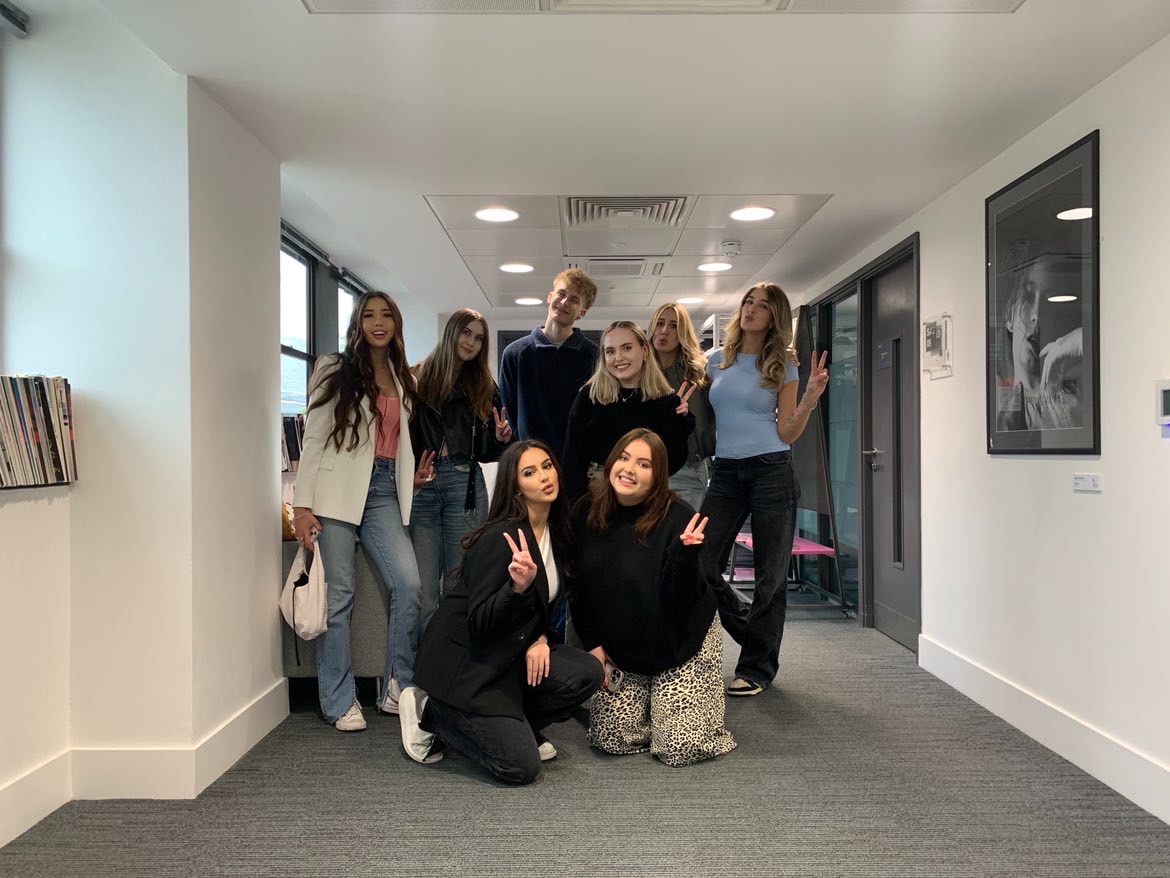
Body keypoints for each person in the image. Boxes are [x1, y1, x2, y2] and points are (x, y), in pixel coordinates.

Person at [403, 440, 603, 783]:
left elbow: (545, 608)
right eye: (530, 472)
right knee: (520, 767)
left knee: (587, 672)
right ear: (515, 486)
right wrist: (516, 589)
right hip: (468, 665)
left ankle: (518, 725)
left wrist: (540, 638)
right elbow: (480, 624)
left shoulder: (557, 533)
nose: (544, 476)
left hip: (510, 654)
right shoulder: (501, 538)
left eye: (547, 465)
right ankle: (429, 711)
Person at [292, 291, 434, 731]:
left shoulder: (401, 375)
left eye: (385, 314)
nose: (377, 322)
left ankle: (399, 687)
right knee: (340, 596)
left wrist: (406, 478)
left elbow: (393, 440)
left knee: (409, 585)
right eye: (368, 314)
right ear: (357, 322)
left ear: (395, 324)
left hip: (383, 491)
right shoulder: (334, 368)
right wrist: (301, 505)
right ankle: (338, 700)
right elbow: (314, 438)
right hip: (335, 493)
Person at [571, 428, 736, 766]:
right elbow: (579, 587)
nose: (630, 469)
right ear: (611, 461)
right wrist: (594, 644)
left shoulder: (678, 517)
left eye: (644, 464)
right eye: (624, 458)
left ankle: (683, 710)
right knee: (609, 740)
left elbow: (685, 602)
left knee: (679, 749)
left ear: (658, 476)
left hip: (681, 639)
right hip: (625, 645)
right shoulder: (586, 511)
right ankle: (655, 704)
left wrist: (685, 557)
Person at [699, 282, 828, 698]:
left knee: (771, 577)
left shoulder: (782, 364)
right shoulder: (717, 359)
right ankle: (754, 631)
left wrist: (809, 398)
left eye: (762, 306)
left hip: (771, 469)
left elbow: (786, 431)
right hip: (724, 473)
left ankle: (756, 668)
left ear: (775, 316)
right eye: (747, 303)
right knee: (700, 560)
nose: (751, 310)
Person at [409, 308, 513, 634]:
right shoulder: (417, 379)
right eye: (466, 333)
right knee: (423, 591)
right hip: (423, 486)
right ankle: (424, 673)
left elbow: (488, 452)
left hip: (464, 484)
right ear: (452, 332)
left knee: (457, 585)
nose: (471, 342)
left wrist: (500, 440)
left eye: (479, 338)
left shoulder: (484, 386)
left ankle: (452, 671)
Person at [562, 320, 696, 501]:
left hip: (645, 493)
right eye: (610, 351)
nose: (618, 358)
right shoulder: (590, 396)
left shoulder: (665, 401)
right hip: (596, 492)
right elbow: (572, 458)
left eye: (626, 348)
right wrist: (575, 506)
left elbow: (670, 465)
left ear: (644, 351)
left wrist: (678, 423)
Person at [498, 268, 599, 461]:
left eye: (574, 300)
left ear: (582, 312)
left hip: (576, 467)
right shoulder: (514, 354)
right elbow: (508, 412)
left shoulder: (595, 358)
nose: (564, 302)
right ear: (550, 296)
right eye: (561, 294)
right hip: (528, 464)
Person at [995, 256, 1083, 431]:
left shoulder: (1076, 395)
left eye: (1049, 301)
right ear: (1010, 316)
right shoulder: (1006, 411)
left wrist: (1082, 339)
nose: (1036, 315)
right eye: (1028, 298)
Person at [648, 302, 716, 511]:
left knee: (683, 537)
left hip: (689, 467)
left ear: (683, 332)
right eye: (660, 324)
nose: (664, 331)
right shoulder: (641, 372)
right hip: (648, 465)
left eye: (673, 326)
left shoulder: (700, 373)